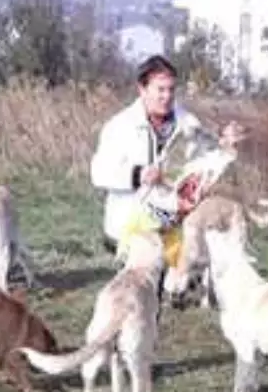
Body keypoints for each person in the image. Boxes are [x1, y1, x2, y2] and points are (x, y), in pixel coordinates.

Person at [90, 55, 240, 257]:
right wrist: (138, 175)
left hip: (174, 226)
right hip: (129, 229)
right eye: (160, 89)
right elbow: (99, 173)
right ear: (142, 89)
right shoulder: (119, 126)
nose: (166, 96)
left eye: (171, 89)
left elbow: (206, 160)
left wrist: (225, 148)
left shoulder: (189, 123)